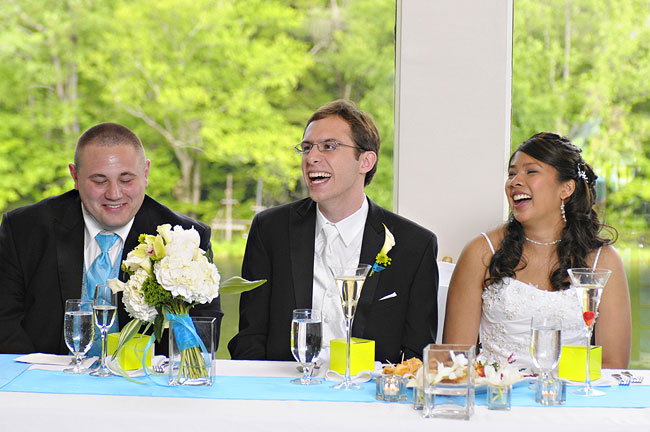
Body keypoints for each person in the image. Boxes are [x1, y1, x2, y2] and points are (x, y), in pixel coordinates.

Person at [228, 100, 438, 365]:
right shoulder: (270, 229)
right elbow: (250, 338)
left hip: (369, 388)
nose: (311, 158)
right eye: (306, 148)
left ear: (365, 161)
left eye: (329, 146)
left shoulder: (414, 245)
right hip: (285, 385)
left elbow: (416, 355)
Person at [0, 122, 222, 354]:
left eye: (126, 180)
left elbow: (202, 339)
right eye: (99, 181)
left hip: (143, 375)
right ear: (75, 176)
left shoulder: (184, 238)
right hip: (45, 373)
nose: (114, 194)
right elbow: (4, 325)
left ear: (146, 173)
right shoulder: (23, 229)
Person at [443, 132, 631, 369]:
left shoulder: (602, 261)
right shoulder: (481, 252)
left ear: (566, 188)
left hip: (571, 392)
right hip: (495, 391)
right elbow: (455, 360)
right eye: (512, 174)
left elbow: (613, 364)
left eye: (531, 171)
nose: (515, 182)